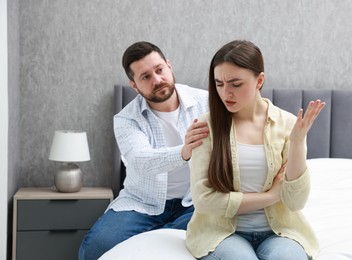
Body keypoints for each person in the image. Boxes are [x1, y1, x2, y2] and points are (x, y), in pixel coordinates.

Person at [186, 40, 325, 260]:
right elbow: (203, 200)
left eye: (235, 84)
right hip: (221, 233)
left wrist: (297, 141)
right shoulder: (205, 127)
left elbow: (295, 202)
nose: (225, 93)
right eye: (219, 84)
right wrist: (269, 196)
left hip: (280, 232)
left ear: (259, 80)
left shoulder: (288, 124)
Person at [79, 41, 209, 260]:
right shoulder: (126, 119)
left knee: (201, 241)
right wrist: (184, 151)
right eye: (145, 77)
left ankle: (161, 235)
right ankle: (161, 232)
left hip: (195, 202)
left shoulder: (206, 102)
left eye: (159, 70)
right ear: (134, 85)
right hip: (142, 203)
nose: (157, 80)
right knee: (94, 249)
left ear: (169, 66)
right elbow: (142, 162)